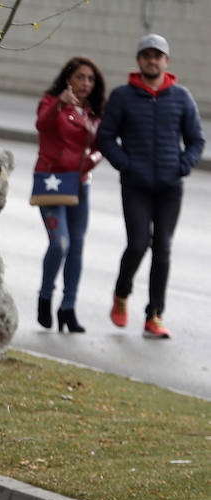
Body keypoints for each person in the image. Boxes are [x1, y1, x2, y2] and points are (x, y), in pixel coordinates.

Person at [97, 34, 205, 339]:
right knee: (138, 243)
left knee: (163, 249)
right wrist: (126, 164)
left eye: (157, 56)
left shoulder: (181, 97)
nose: (152, 60)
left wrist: (182, 166)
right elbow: (105, 138)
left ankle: (154, 315)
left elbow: (197, 140)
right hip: (136, 186)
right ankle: (121, 293)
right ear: (138, 61)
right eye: (146, 55)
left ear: (166, 62)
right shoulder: (122, 97)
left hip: (170, 188)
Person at [34, 56, 105, 333]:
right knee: (59, 244)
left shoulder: (94, 112)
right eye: (80, 77)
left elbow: (101, 146)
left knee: (77, 247)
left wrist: (89, 163)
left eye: (90, 79)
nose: (86, 83)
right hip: (52, 181)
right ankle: (45, 296)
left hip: (80, 183)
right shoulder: (51, 103)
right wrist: (59, 104)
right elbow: (42, 125)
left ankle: (68, 308)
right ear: (68, 78)